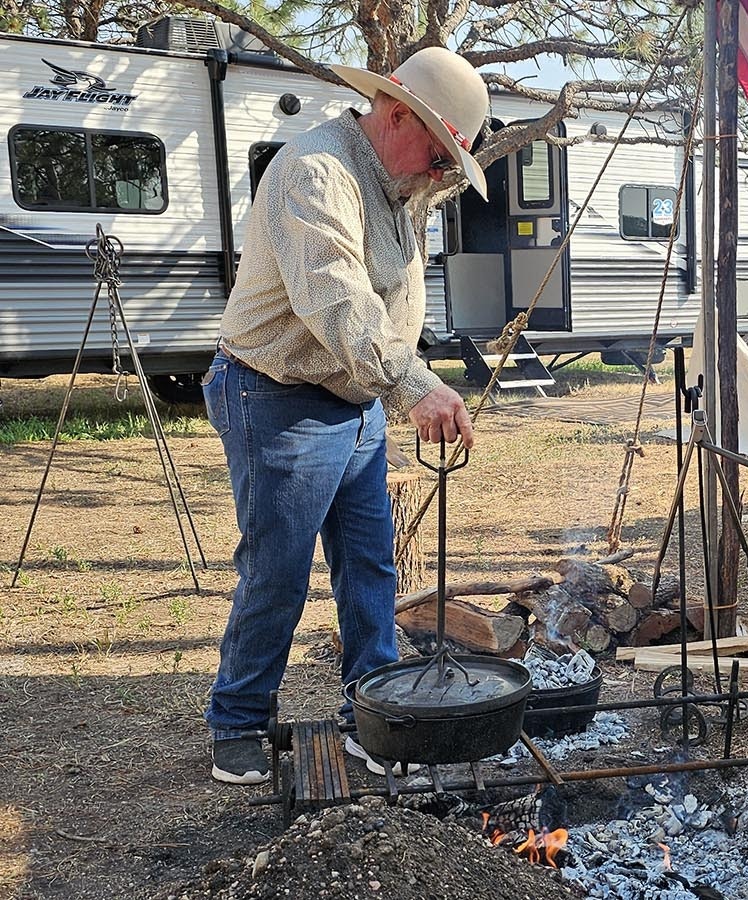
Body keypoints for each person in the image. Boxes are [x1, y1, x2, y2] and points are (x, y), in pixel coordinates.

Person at [201, 47, 489, 785]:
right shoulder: (316, 171)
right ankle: (237, 722)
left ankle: (376, 712)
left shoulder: (402, 183)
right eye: (438, 156)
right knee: (281, 569)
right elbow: (338, 300)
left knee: (368, 567)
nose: (440, 175)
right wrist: (412, 386)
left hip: (352, 398)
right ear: (395, 114)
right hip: (276, 393)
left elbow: (388, 297)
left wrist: (404, 381)